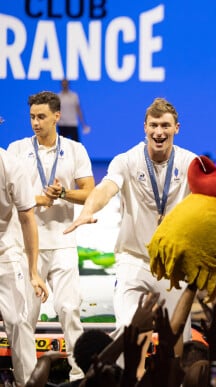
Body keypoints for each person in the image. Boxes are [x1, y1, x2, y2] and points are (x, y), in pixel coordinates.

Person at [64, 98, 197, 343]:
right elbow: (107, 188)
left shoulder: (190, 163)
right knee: (128, 332)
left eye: (165, 126)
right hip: (134, 260)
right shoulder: (126, 160)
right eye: (154, 125)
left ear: (177, 128)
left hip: (174, 265)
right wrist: (88, 210)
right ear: (144, 127)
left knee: (178, 339)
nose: (159, 132)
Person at [7, 90, 95, 384]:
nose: (35, 122)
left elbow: (89, 193)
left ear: (57, 116)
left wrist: (63, 193)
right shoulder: (16, 150)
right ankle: (27, 380)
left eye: (41, 117)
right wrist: (38, 200)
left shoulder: (74, 151)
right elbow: (10, 197)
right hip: (26, 246)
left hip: (63, 243)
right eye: (32, 117)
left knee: (70, 310)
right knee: (23, 319)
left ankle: (81, 377)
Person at [0, 148, 48, 386]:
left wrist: (33, 272)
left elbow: (27, 218)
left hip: (5, 254)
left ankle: (28, 383)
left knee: (19, 322)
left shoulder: (11, 166)